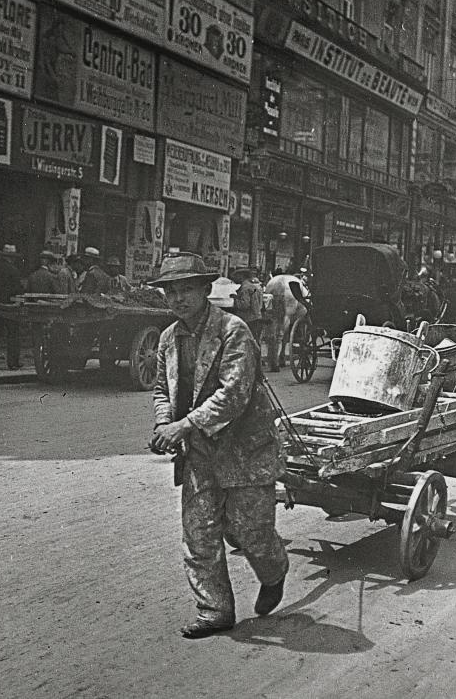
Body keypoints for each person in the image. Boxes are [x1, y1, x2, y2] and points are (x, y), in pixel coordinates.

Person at [149, 252, 288, 639]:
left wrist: (183, 425)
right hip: (199, 451)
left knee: (251, 532)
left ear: (206, 290)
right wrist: (164, 424)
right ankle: (214, 610)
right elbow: (162, 389)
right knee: (199, 533)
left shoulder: (234, 330)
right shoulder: (168, 339)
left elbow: (234, 394)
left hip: (245, 449)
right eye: (171, 292)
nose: (178, 299)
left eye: (186, 290)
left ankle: (274, 572)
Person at [0, 244, 23, 369]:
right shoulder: (14, 270)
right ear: (12, 257)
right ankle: (12, 363)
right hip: (9, 306)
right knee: (12, 335)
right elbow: (17, 289)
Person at [230, 266, 264, 343]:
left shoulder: (244, 288)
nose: (235, 278)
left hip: (248, 318)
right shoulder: (255, 287)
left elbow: (244, 305)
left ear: (242, 277)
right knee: (255, 341)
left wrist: (235, 300)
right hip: (256, 317)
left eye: (237, 276)